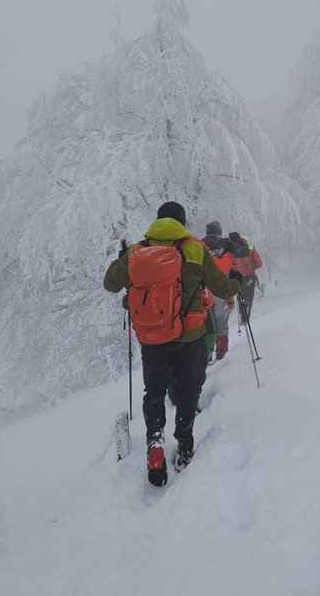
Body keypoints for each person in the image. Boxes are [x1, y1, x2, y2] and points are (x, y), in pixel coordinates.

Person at [103, 201, 240, 482]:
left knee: (153, 391)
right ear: (183, 221)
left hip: (151, 337)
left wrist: (121, 260)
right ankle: (185, 444)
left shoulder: (137, 250)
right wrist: (235, 283)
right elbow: (220, 286)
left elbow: (110, 283)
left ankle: (154, 440)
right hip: (189, 335)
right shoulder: (194, 247)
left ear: (157, 221)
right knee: (187, 389)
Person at [203, 221, 236, 362]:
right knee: (222, 325)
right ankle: (222, 355)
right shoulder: (224, 246)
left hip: (204, 292)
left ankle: (206, 356)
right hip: (221, 291)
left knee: (206, 326)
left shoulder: (199, 245)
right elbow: (224, 270)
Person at [229, 231, 263, 321]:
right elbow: (259, 263)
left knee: (240, 296)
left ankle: (242, 314)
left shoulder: (230, 251)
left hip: (237, 277)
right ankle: (246, 316)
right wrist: (252, 267)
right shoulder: (250, 248)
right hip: (249, 277)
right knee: (248, 298)